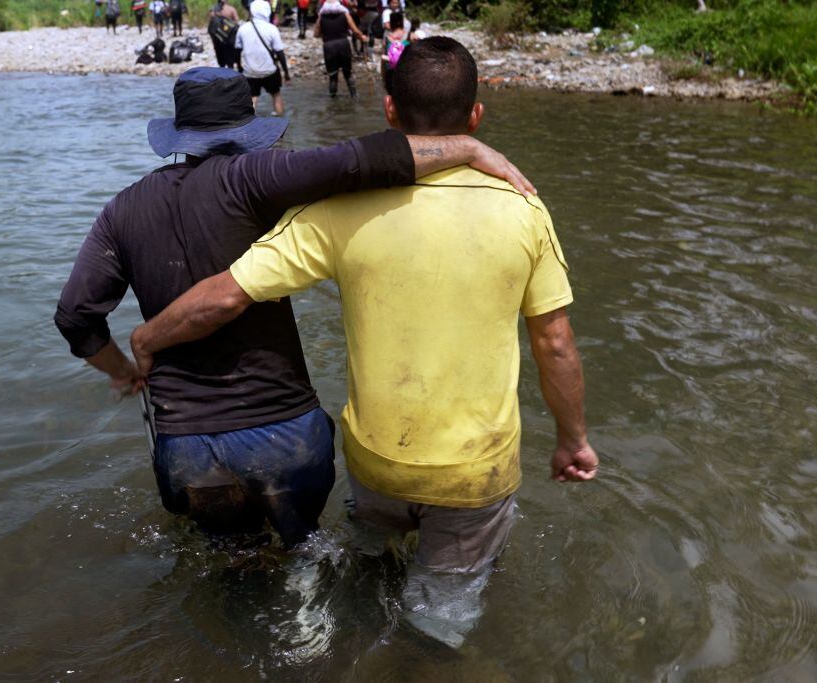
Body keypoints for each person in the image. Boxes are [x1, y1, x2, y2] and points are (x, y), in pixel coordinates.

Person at [129, 38, 597, 647]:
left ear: (389, 111)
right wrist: (573, 441)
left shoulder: (341, 209)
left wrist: (145, 337)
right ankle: (420, 655)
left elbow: (225, 295)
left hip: (375, 461)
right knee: (441, 611)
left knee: (364, 570)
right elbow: (554, 344)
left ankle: (328, 642)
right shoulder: (524, 209)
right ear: (476, 115)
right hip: (473, 472)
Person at [54, 65, 534, 549]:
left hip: (188, 448)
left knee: (230, 562)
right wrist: (468, 147)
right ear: (249, 120)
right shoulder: (255, 177)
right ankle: (316, 619)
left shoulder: (122, 209)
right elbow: (365, 159)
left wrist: (123, 370)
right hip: (284, 438)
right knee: (305, 551)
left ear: (180, 131)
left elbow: (75, 317)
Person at [235, 0, 291, 116]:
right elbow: (280, 53)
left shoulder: (242, 29)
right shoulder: (272, 29)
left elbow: (237, 52)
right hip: (270, 71)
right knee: (276, 95)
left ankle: (249, 129)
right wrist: (286, 73)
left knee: (252, 98)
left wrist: (240, 68)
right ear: (267, 11)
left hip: (250, 72)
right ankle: (280, 124)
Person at [314, 0, 365, 98]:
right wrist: (362, 37)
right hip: (343, 45)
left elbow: (316, 34)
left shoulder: (321, 17)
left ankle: (333, 100)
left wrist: (325, 32)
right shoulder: (345, 14)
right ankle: (354, 96)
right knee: (348, 73)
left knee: (333, 76)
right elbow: (355, 31)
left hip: (329, 46)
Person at [208, 0, 240, 68]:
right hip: (228, 38)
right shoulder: (231, 9)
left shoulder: (213, 10)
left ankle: (222, 72)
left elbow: (211, 25)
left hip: (217, 38)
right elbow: (236, 22)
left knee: (220, 58)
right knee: (230, 59)